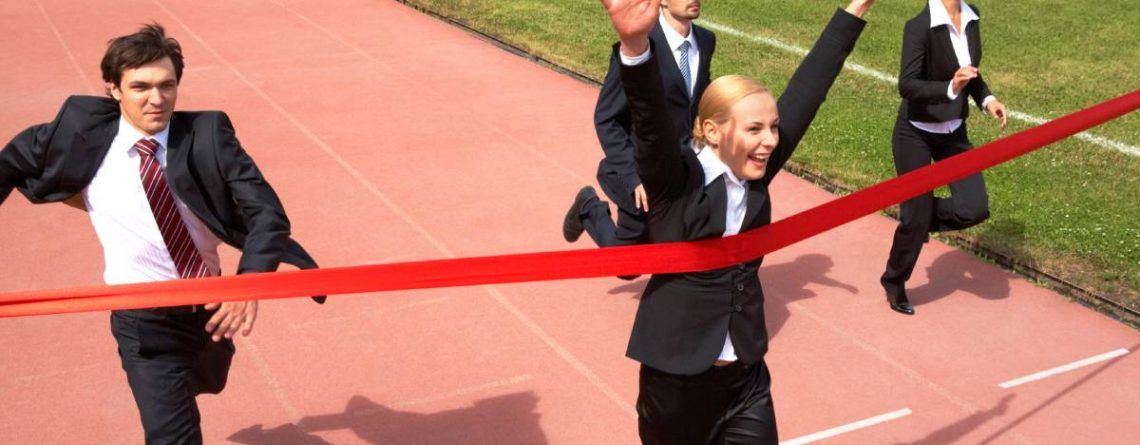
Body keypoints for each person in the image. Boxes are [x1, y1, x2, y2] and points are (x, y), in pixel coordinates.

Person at [0, 24, 322, 444]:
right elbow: (9, 164)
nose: (157, 98)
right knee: (172, 433)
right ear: (114, 89)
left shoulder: (209, 134)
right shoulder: (78, 131)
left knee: (207, 380)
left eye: (167, 85)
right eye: (140, 87)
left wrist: (249, 283)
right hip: (142, 319)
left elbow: (267, 213)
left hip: (211, 310)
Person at [597, 0, 875, 443]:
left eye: (774, 128)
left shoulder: (755, 171)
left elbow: (809, 89)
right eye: (754, 130)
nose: (770, 142)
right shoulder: (674, 180)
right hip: (675, 385)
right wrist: (634, 45)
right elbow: (649, 119)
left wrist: (856, 8)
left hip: (745, 381)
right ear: (712, 131)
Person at [881, 0, 1008, 315]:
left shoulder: (972, 16)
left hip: (954, 134)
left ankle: (916, 214)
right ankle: (894, 281)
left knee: (974, 209)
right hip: (915, 134)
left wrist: (987, 99)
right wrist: (950, 87)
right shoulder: (918, 27)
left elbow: (970, 71)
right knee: (915, 218)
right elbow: (907, 85)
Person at [563, 0, 716, 258]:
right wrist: (632, 176)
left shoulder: (706, 40)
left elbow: (695, 102)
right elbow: (607, 119)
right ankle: (588, 208)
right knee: (627, 264)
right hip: (640, 171)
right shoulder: (638, 44)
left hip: (681, 168)